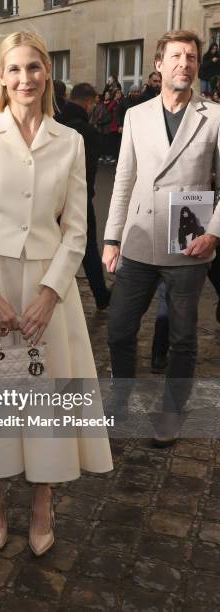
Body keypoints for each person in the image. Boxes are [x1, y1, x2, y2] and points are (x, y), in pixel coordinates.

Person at [0, 31, 113, 556]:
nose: (25, 78)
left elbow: (77, 230)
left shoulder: (70, 141)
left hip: (48, 290)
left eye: (34, 67)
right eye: (14, 69)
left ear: (46, 75)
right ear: (1, 78)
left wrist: (52, 292)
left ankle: (42, 503)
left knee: (44, 401)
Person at [102, 30, 220, 446]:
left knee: (184, 338)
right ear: (159, 64)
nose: (184, 64)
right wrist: (112, 238)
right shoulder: (137, 114)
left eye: (191, 56)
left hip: (189, 245)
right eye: (175, 56)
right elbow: (123, 179)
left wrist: (214, 233)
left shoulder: (215, 115)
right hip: (138, 240)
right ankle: (118, 405)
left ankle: (171, 412)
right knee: (118, 329)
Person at [57, 82, 110, 309]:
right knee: (88, 246)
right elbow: (88, 172)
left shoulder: (54, 122)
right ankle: (100, 295)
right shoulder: (88, 132)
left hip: (51, 196)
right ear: (89, 102)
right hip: (79, 197)